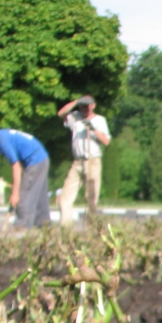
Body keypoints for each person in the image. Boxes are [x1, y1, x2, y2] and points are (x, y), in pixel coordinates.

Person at [0, 124, 50, 228]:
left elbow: (16, 167)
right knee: (40, 198)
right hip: (41, 158)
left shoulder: (2, 141)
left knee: (23, 199)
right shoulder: (1, 136)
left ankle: (21, 230)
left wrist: (15, 194)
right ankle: (45, 227)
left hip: (35, 161)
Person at [57, 95, 111, 228]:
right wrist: (75, 102)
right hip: (78, 161)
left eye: (87, 106)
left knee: (91, 198)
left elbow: (106, 141)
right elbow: (61, 113)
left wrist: (93, 129)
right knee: (65, 198)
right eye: (82, 106)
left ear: (93, 105)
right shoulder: (75, 118)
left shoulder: (100, 120)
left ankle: (90, 229)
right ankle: (66, 229)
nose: (84, 109)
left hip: (92, 161)